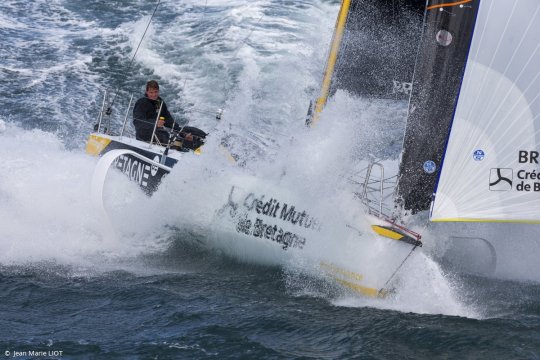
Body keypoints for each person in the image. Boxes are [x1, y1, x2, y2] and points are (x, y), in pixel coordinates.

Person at [132, 80, 207, 150]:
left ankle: (209, 142)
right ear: (147, 92)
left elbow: (169, 120)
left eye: (156, 92)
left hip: (159, 132)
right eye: (151, 92)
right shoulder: (141, 103)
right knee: (175, 142)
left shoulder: (160, 102)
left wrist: (183, 133)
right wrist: (155, 123)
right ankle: (196, 150)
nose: (154, 95)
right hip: (145, 136)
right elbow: (137, 122)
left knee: (189, 131)